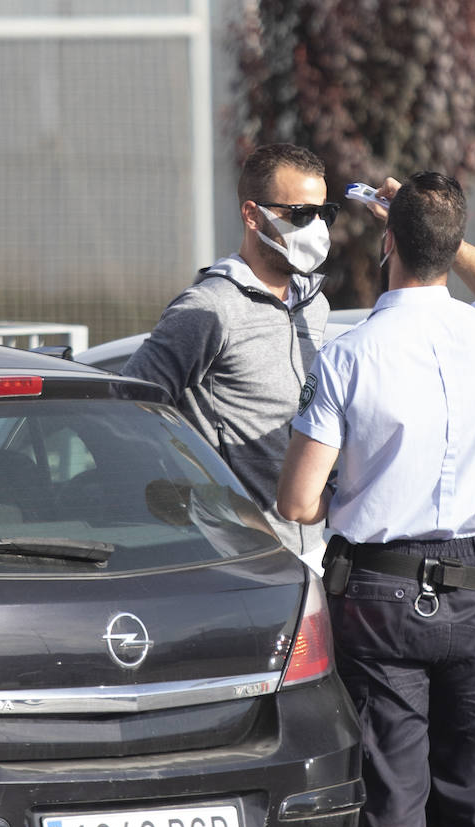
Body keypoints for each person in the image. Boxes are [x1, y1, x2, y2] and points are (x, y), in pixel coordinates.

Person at [277, 171, 475, 827]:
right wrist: (446, 240)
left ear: (387, 242)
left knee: (393, 801)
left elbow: (298, 500)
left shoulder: (350, 355)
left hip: (381, 597)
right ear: (453, 249)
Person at [122, 143, 336, 558]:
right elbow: (130, 407)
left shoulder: (317, 304)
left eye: (325, 214)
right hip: (240, 560)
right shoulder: (209, 308)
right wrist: (200, 502)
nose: (317, 229)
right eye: (301, 215)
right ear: (252, 215)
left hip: (314, 550)